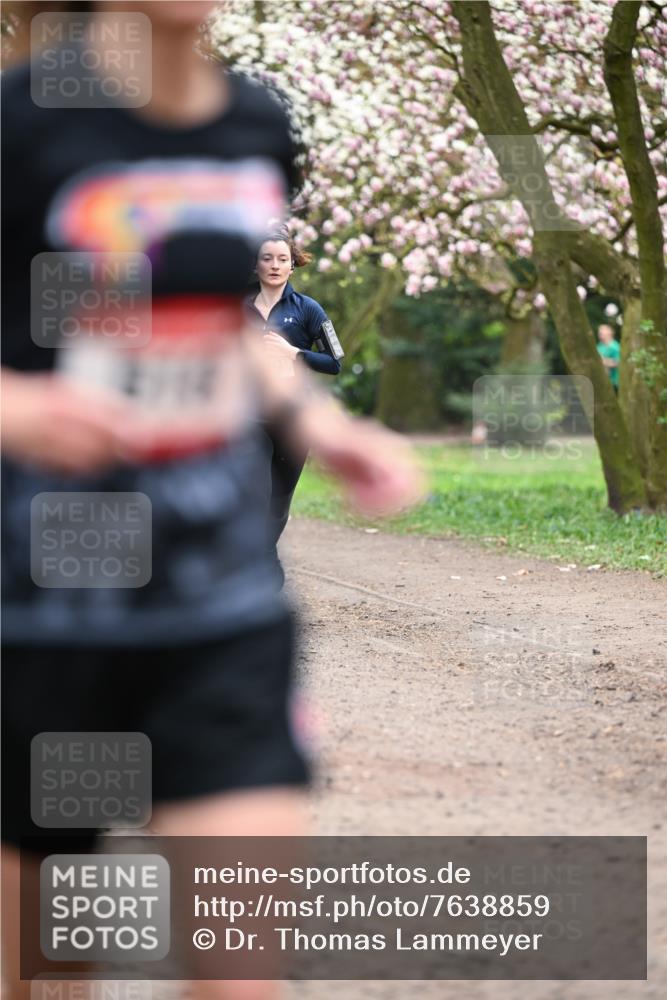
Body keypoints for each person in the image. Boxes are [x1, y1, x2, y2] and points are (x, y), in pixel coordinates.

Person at [0, 4, 422, 1000]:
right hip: (42, 616)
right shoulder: (24, 122)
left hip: (215, 604)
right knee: (49, 971)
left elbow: (222, 323)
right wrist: (20, 410)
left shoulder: (256, 123)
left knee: (240, 977)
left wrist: (318, 421)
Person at [245, 230, 343, 560]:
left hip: (291, 419)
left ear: (293, 266)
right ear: (256, 264)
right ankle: (256, 566)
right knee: (251, 493)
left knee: (278, 501)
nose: (274, 265)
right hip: (246, 418)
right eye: (267, 258)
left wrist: (294, 353)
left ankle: (262, 559)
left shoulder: (309, 309)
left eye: (282, 259)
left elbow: (334, 362)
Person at [596, 323, 621, 391]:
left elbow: (618, 363)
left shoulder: (615, 347)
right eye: (599, 332)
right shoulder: (599, 346)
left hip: (614, 382)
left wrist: (602, 361)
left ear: (610, 332)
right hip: (601, 381)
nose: (600, 333)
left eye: (602, 331)